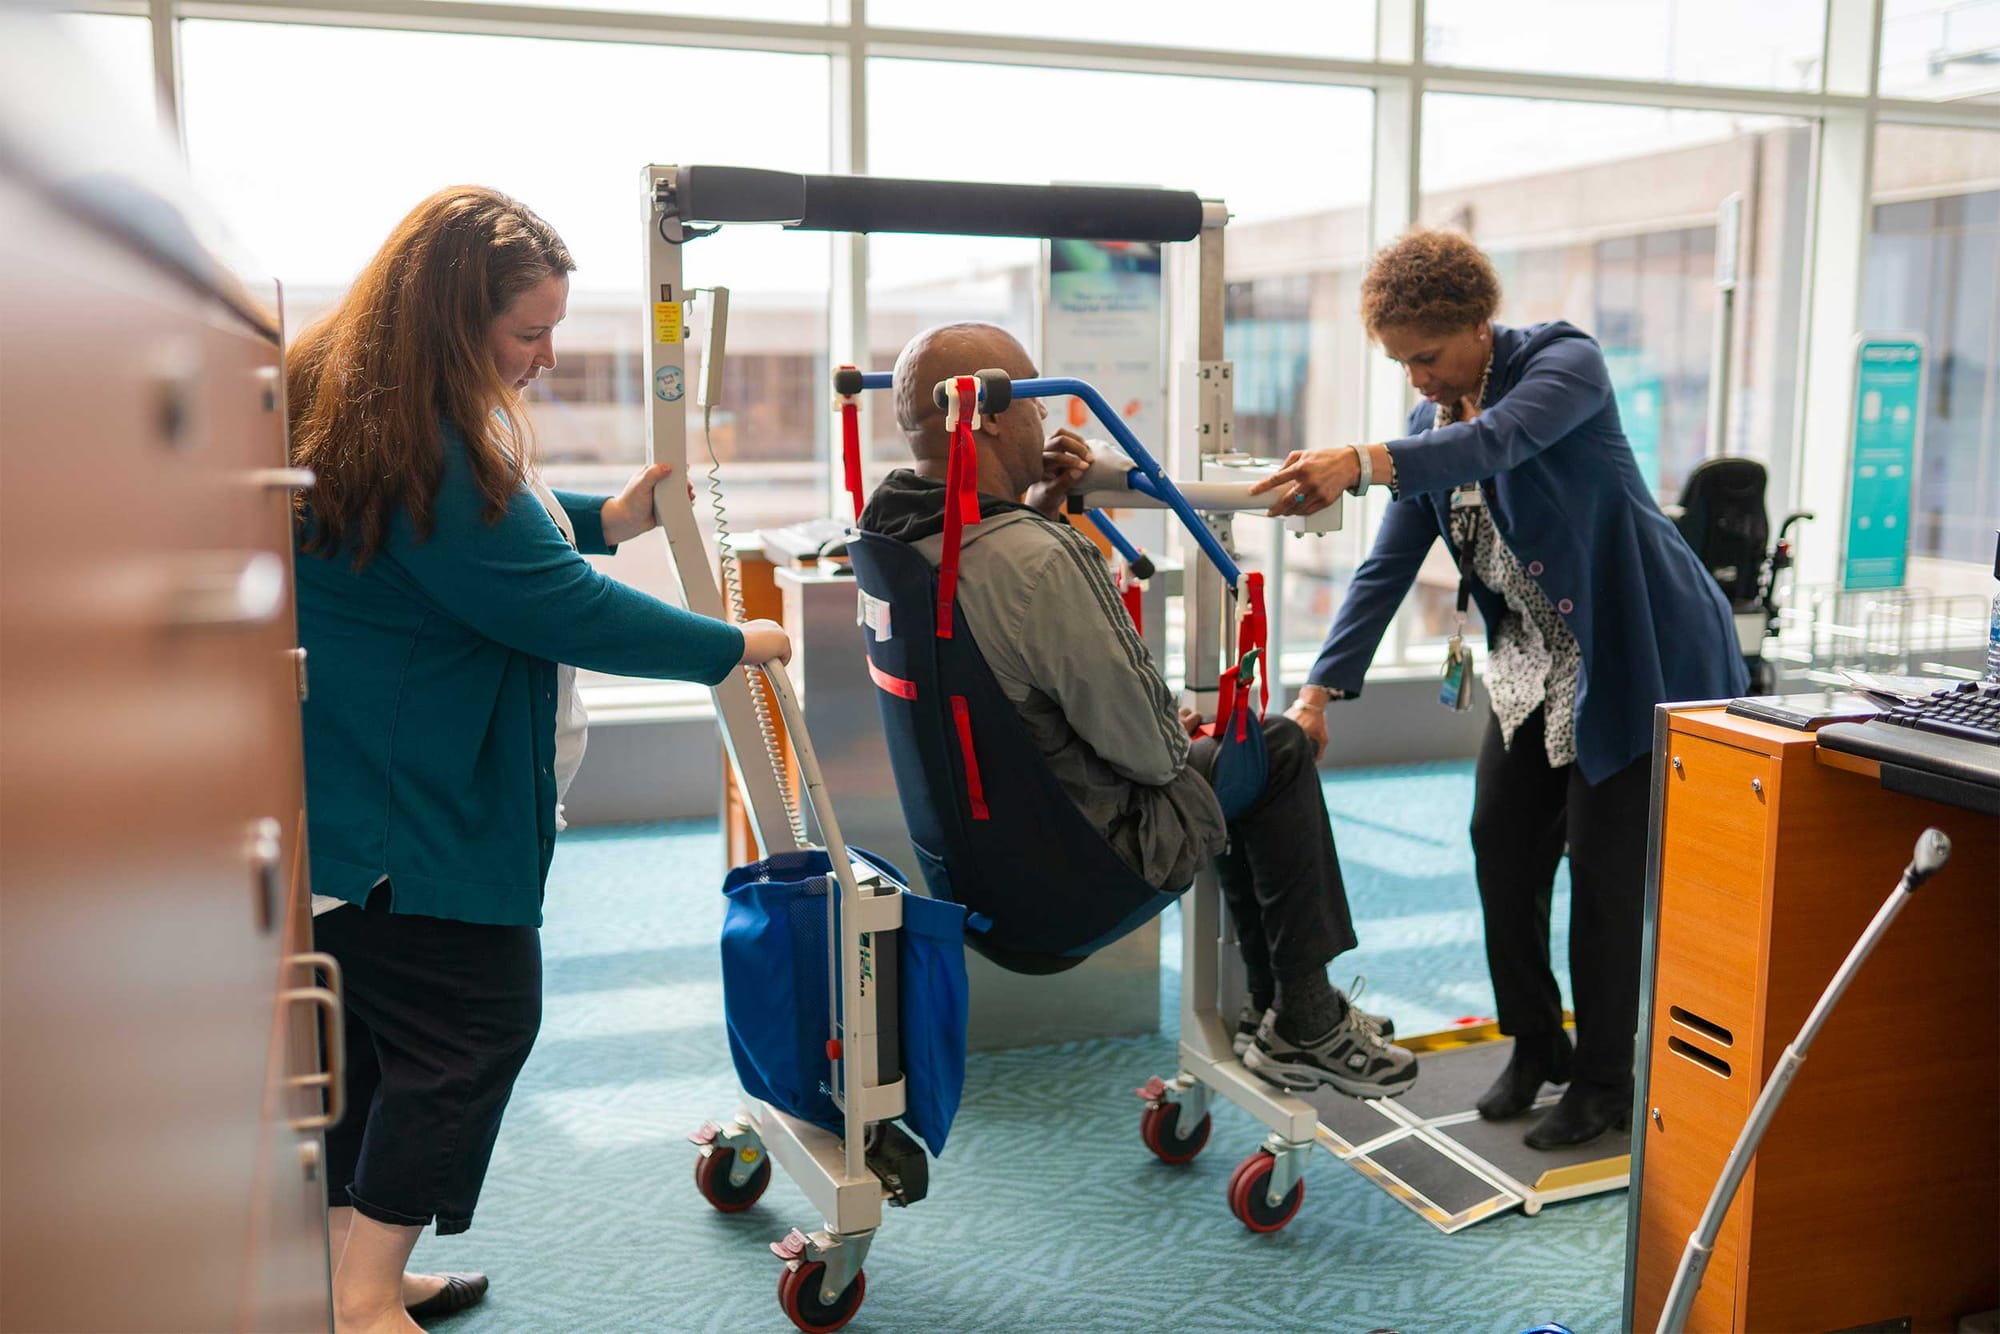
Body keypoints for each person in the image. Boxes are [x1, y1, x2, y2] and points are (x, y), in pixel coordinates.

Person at [289, 186, 790, 1334]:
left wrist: (601, 518)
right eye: (527, 334)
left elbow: (479, 526)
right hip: (406, 825)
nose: (547, 358)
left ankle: (344, 1268)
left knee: (373, 1039)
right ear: (454, 324)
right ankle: (363, 1302)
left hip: (352, 803)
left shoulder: (350, 394)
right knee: (471, 1031)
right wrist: (731, 644)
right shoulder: (429, 443)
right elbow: (559, 605)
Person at [1250, 228, 1746, 1149]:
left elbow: (1503, 441)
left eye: (1427, 357)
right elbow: (1386, 567)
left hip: (1635, 658)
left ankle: (1604, 1077)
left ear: (1480, 326)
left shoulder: (1565, 364)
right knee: (1500, 848)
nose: (1417, 380)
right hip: (1530, 671)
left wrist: (1360, 462)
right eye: (1401, 362)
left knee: (1603, 877)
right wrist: (1319, 690)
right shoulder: (1431, 432)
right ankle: (1535, 1043)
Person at [858, 322, 1415, 1100]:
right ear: (984, 414)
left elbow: (998, 662)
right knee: (1274, 749)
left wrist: (1042, 508)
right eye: (1030, 404)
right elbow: (1153, 757)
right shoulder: (1037, 560)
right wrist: (1163, 724)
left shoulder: (889, 541)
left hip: (977, 878)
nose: (1043, 423)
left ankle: (1281, 1011)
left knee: (1230, 765)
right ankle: (1310, 1020)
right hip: (1078, 876)